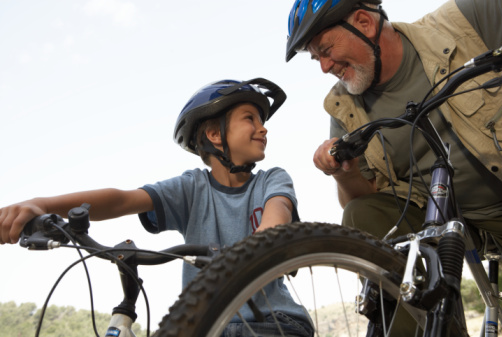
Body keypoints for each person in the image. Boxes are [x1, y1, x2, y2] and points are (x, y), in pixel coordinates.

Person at [0, 78, 314, 337]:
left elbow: (276, 220)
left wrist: (256, 246)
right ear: (215, 134)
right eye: (250, 118)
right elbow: (122, 199)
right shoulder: (192, 188)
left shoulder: (272, 180)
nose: (263, 128)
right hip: (206, 327)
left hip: (272, 323)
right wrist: (41, 204)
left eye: (262, 120)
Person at [286, 0, 502, 335]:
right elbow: (365, 196)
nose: (324, 66)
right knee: (362, 212)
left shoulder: (466, 20)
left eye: (326, 49)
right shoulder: (345, 108)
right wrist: (346, 174)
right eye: (317, 58)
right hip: (438, 217)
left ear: (363, 22)